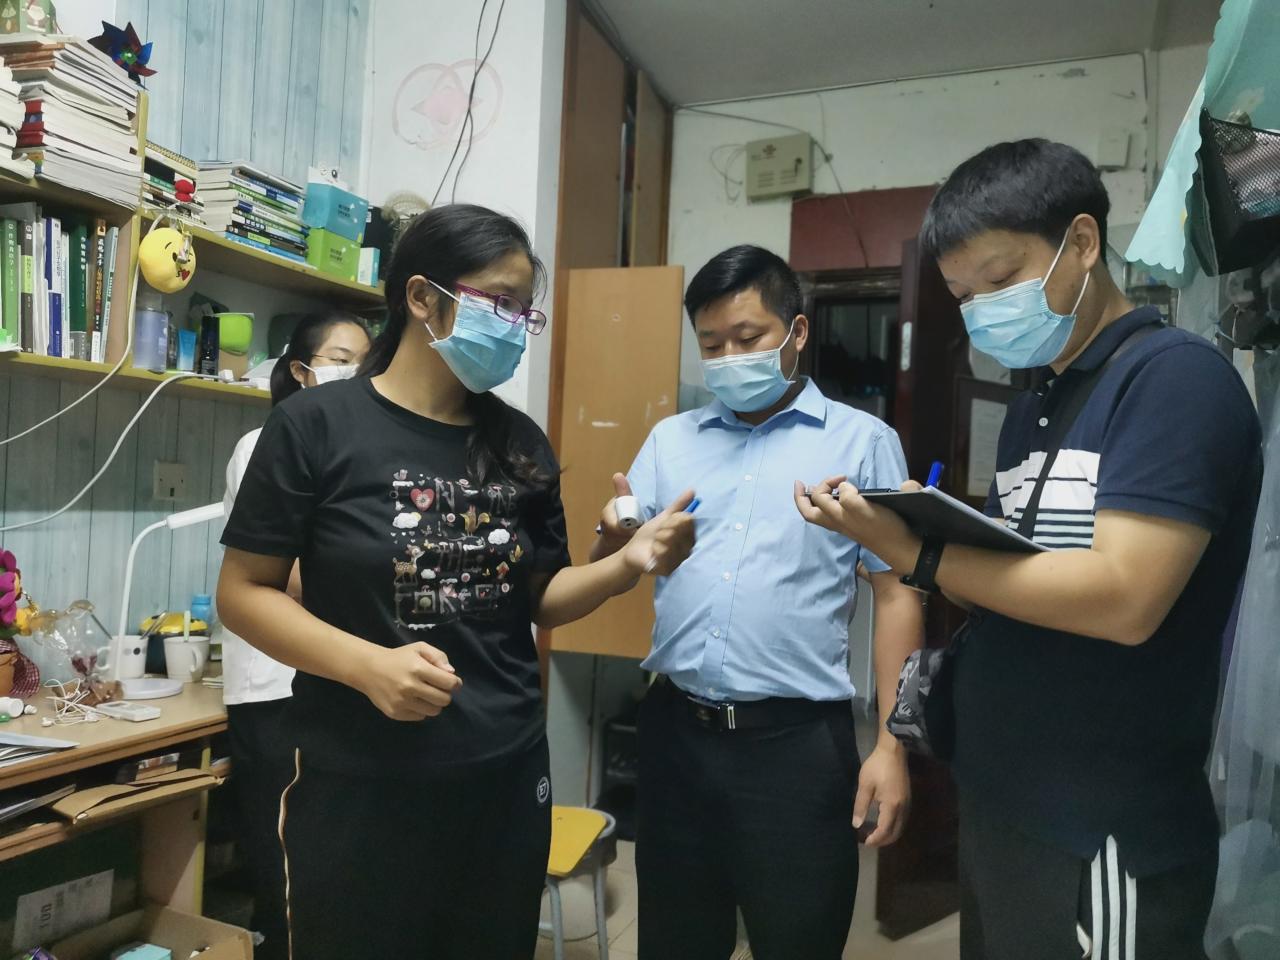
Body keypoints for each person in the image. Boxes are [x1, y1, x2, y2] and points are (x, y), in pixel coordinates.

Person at [795, 139, 1262, 960]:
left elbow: (1124, 599)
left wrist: (918, 556)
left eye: (1001, 279)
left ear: (1081, 242)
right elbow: (997, 585)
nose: (982, 310)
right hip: (1003, 801)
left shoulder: (1172, 381)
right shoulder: (1034, 401)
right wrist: (920, 530)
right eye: (962, 296)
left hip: (1102, 823)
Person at [216, 204, 698, 959]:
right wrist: (368, 666)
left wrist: (623, 566)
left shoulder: (519, 443)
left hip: (503, 774)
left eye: (523, 310)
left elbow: (541, 599)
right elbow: (243, 592)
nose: (514, 326)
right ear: (421, 297)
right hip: (361, 780)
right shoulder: (314, 426)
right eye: (498, 302)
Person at [592, 245, 925, 960]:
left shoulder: (862, 443)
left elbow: (897, 593)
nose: (728, 358)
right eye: (711, 344)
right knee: (675, 941)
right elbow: (612, 561)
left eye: (748, 338)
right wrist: (613, 537)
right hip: (676, 734)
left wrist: (892, 745)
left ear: (796, 332)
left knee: (797, 940)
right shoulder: (671, 440)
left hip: (795, 748)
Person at [219, 311, 371, 960]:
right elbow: (292, 579)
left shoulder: (358, 447)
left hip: (338, 680)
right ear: (301, 371)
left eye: (367, 360)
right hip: (275, 686)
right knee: (285, 869)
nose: (356, 372)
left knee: (333, 872)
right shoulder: (265, 444)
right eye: (341, 358)